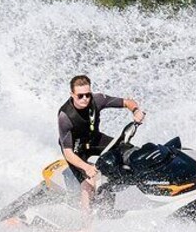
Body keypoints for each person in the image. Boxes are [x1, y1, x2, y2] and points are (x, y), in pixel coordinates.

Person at [58, 75, 144, 222]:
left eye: (87, 94)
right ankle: (86, 225)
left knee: (128, 151)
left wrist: (136, 111)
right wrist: (86, 167)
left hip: (94, 139)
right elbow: (68, 153)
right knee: (89, 183)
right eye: (80, 96)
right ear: (72, 94)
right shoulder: (65, 116)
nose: (85, 98)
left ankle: (140, 186)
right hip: (76, 149)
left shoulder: (97, 100)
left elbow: (127, 102)